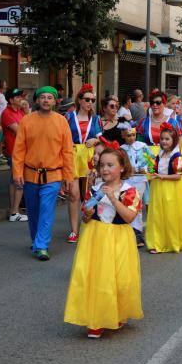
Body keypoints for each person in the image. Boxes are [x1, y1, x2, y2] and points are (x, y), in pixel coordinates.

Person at [64, 145, 144, 339]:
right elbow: (86, 216)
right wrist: (87, 215)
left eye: (110, 165)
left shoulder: (129, 191)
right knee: (95, 277)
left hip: (119, 239)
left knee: (120, 280)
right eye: (102, 165)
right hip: (96, 237)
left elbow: (129, 217)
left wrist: (113, 198)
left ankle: (117, 312)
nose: (105, 169)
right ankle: (96, 320)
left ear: (122, 167)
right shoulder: (93, 189)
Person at [12, 86, 75, 261]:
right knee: (33, 211)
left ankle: (41, 245)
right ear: (37, 101)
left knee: (47, 210)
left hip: (53, 175)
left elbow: (68, 152)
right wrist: (17, 172)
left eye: (50, 97)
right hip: (30, 174)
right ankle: (36, 240)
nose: (46, 100)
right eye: (43, 97)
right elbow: (19, 150)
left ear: (55, 101)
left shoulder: (62, 122)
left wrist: (69, 176)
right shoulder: (26, 121)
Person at [145, 123, 182, 254]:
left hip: (172, 189)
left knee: (170, 216)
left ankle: (172, 241)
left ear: (174, 141)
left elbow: (178, 177)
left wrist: (161, 176)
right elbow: (153, 168)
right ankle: (157, 242)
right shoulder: (160, 154)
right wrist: (150, 167)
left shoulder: (177, 156)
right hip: (158, 188)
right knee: (157, 215)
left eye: (167, 139)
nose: (164, 141)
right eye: (162, 139)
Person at [65, 84, 103, 243]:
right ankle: (74, 230)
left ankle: (87, 225)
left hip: (89, 158)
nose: (90, 102)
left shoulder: (96, 119)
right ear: (79, 100)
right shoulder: (68, 117)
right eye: (87, 99)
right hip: (72, 157)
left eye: (93, 100)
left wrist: (95, 140)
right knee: (74, 194)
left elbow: (102, 141)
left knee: (88, 195)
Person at [1, 88, 28, 222]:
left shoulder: (20, 112)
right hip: (14, 151)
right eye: (17, 97)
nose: (20, 99)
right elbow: (20, 131)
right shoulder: (7, 113)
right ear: (11, 100)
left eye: (20, 97)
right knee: (18, 181)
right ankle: (14, 212)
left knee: (15, 181)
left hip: (21, 151)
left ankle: (14, 210)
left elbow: (28, 126)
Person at [121, 127, 150, 247]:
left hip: (140, 180)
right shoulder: (121, 149)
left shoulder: (142, 146)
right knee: (126, 205)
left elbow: (151, 161)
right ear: (124, 136)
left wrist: (147, 170)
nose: (131, 138)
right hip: (126, 180)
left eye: (133, 135)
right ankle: (128, 232)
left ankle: (137, 233)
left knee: (136, 205)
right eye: (128, 135)